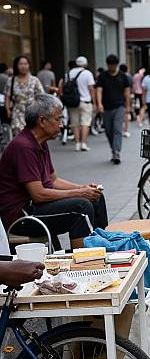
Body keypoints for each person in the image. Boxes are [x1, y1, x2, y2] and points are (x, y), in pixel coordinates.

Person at [0, 94, 108, 249]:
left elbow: (53, 181)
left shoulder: (40, 143)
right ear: (42, 121)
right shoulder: (23, 147)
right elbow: (38, 195)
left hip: (34, 206)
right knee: (81, 209)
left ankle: (102, 249)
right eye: (58, 119)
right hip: (21, 216)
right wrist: (79, 193)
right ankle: (84, 264)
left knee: (96, 198)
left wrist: (83, 188)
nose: (62, 125)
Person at [95, 54, 131, 165]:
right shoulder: (103, 76)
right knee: (108, 130)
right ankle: (113, 149)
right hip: (106, 107)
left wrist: (128, 105)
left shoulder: (123, 76)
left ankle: (116, 152)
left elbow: (127, 92)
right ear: (107, 65)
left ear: (117, 64)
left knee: (117, 129)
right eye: (110, 65)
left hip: (119, 106)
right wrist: (99, 104)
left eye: (114, 65)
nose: (112, 67)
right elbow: (99, 90)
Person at [4, 56, 45, 135]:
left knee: (32, 138)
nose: (23, 66)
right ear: (16, 66)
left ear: (29, 65)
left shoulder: (35, 80)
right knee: (19, 138)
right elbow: (7, 97)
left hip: (32, 114)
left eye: (26, 64)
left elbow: (42, 97)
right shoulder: (11, 80)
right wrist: (7, 110)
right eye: (21, 64)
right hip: (17, 114)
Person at [67, 56, 96, 152]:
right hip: (85, 101)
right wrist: (94, 101)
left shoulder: (69, 73)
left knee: (74, 123)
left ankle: (77, 143)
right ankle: (83, 143)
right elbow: (91, 88)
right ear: (85, 63)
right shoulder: (87, 73)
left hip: (72, 102)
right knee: (85, 123)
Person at [119, 64, 133, 137]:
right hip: (127, 96)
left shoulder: (117, 76)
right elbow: (130, 87)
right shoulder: (129, 77)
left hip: (118, 98)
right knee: (126, 114)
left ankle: (119, 130)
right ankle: (126, 130)